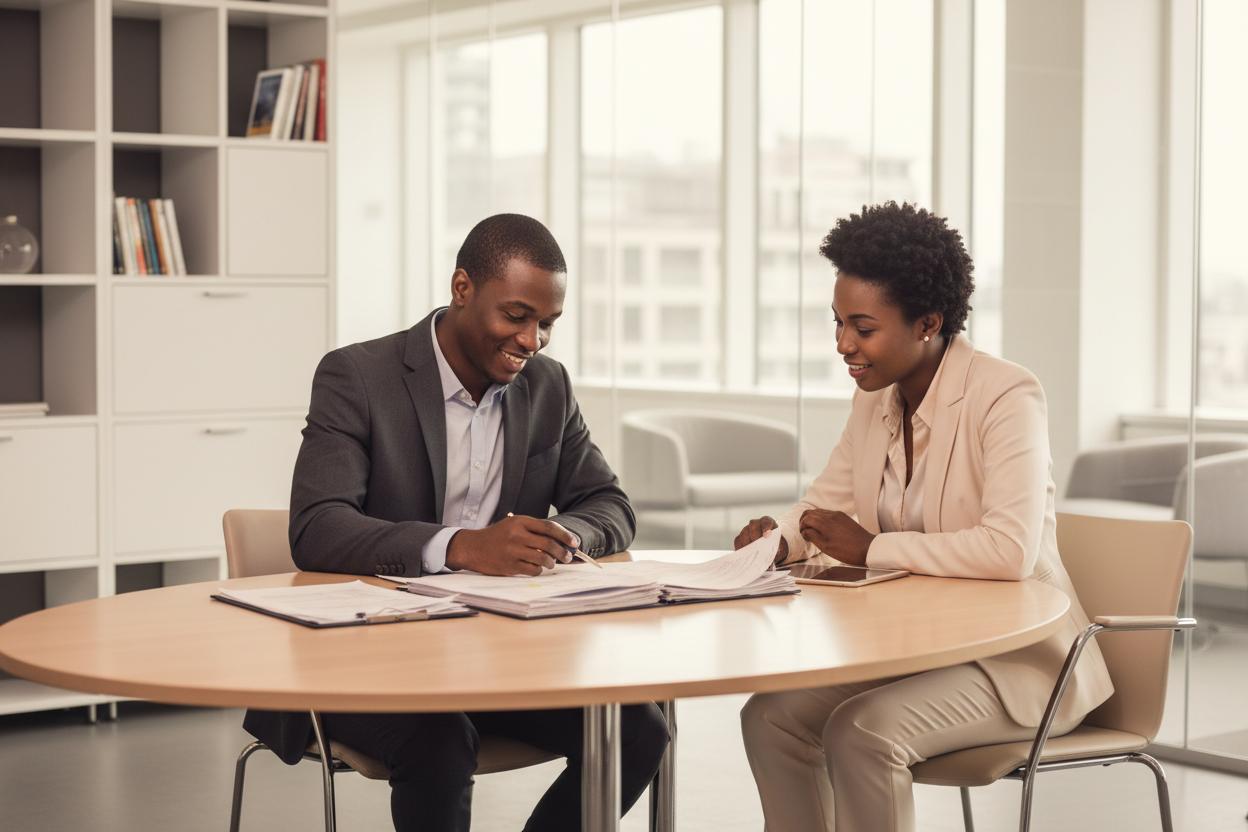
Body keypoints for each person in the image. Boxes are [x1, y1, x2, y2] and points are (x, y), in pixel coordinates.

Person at [243, 213, 669, 832]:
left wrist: (562, 538)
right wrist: (462, 547)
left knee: (637, 728)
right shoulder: (357, 376)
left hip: (495, 660)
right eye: (517, 315)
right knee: (439, 743)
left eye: (548, 323)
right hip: (363, 662)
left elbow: (610, 504)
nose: (533, 340)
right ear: (462, 288)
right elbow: (318, 529)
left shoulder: (547, 386)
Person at [734, 202, 1113, 832]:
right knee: (770, 717)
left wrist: (871, 548)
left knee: (863, 733)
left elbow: (1009, 551)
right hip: (921, 649)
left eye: (863, 328)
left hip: (1020, 662)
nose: (844, 345)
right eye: (838, 323)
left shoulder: (1006, 394)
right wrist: (782, 539)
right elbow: (826, 505)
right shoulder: (875, 399)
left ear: (928, 323)